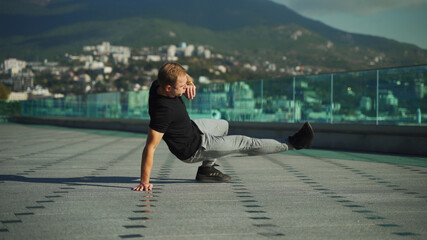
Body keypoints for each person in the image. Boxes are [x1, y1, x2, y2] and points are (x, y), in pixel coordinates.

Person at [132, 62, 314, 191]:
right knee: (244, 143)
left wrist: (189, 82)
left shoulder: (159, 82)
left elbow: (183, 75)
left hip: (193, 128)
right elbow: (150, 147)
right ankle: (294, 142)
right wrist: (144, 182)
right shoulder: (162, 111)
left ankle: (206, 170)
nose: (184, 90)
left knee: (222, 125)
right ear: (168, 88)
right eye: (180, 87)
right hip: (194, 148)